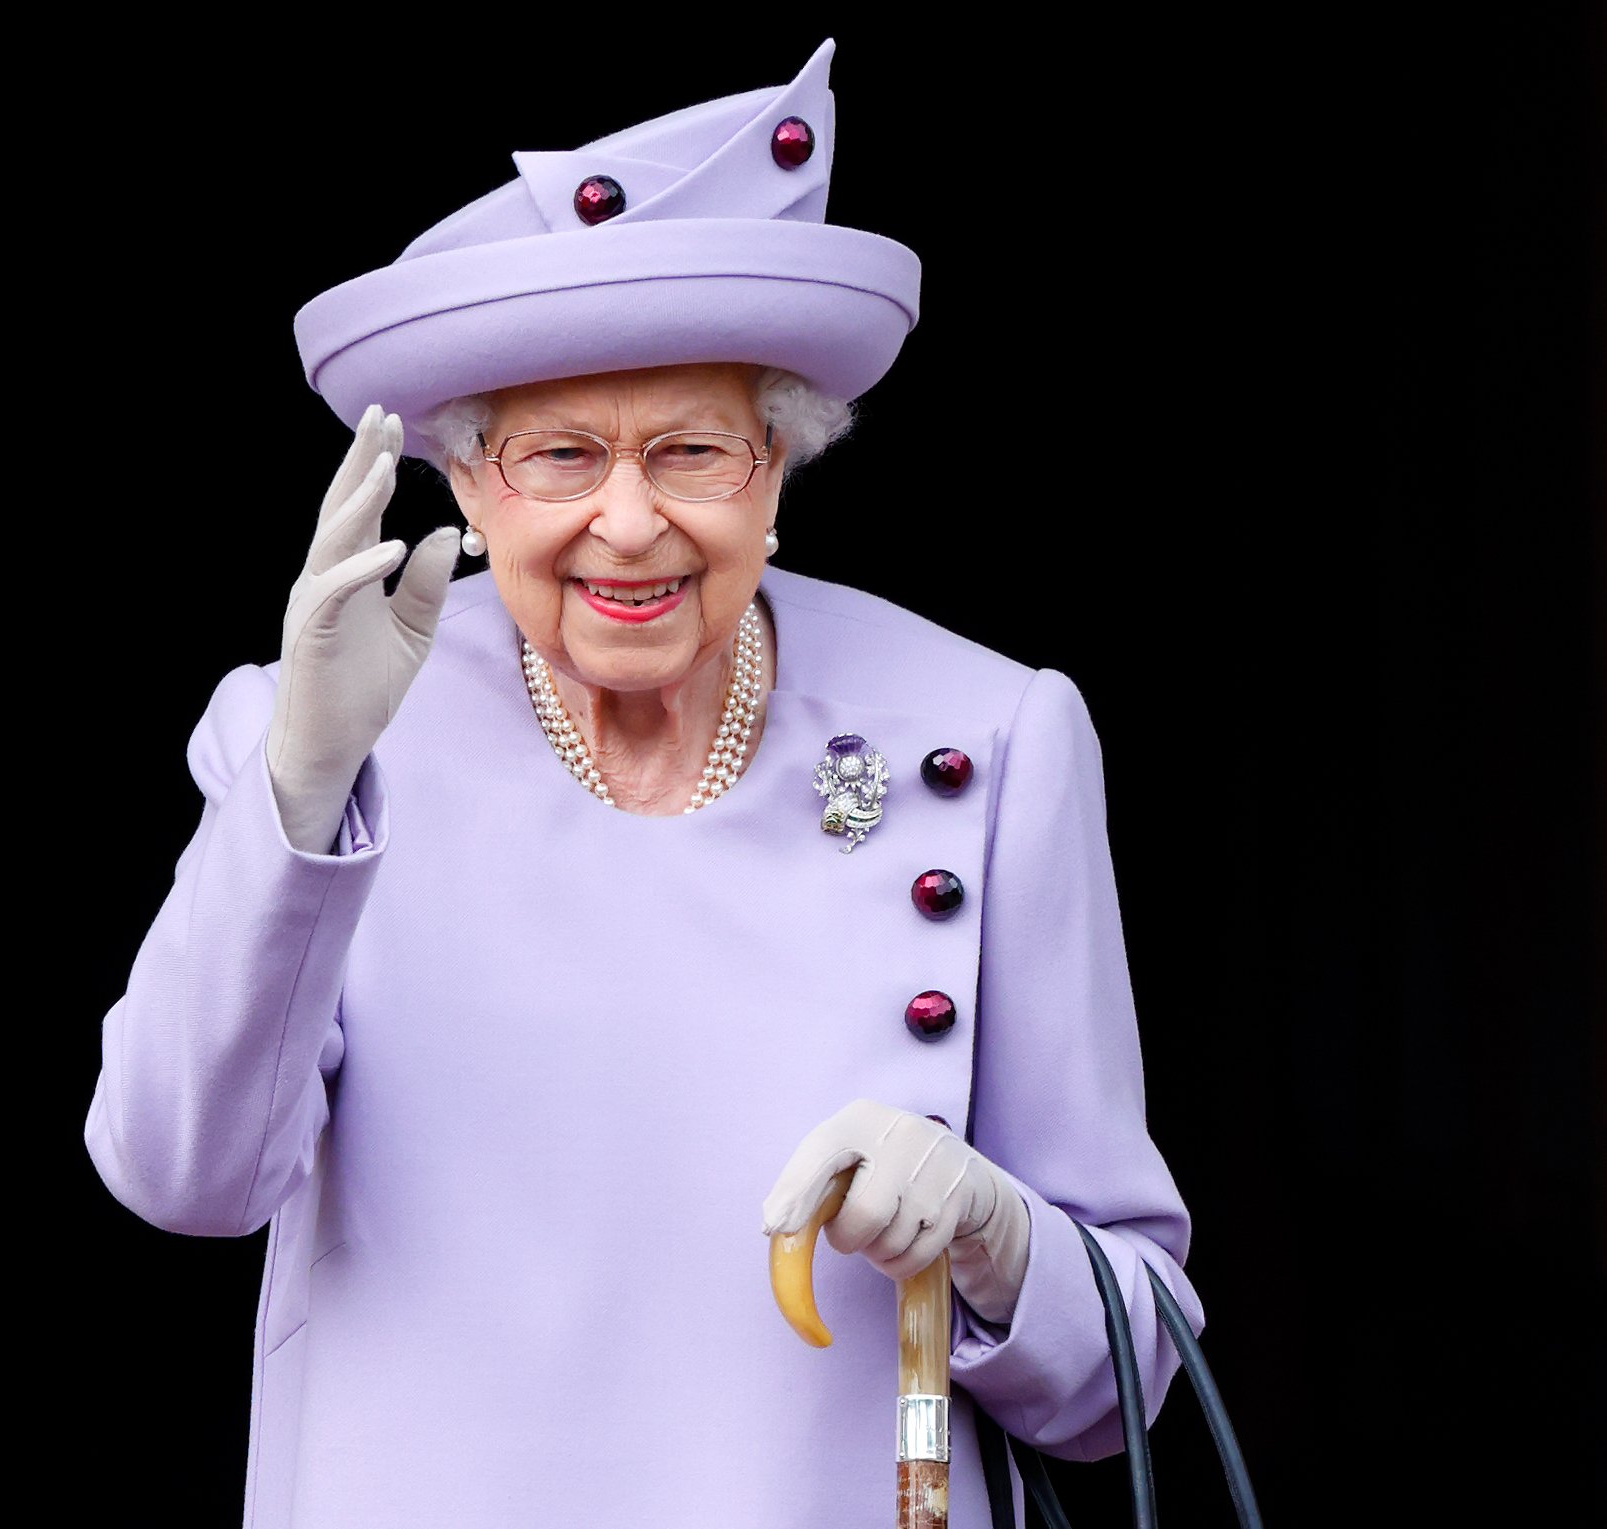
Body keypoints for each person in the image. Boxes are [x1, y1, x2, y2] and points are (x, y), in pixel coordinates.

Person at [85, 38, 1203, 1528]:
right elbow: (180, 1172)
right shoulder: (319, 733)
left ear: (781, 463)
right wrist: (306, 775)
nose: (629, 520)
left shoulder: (989, 733)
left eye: (692, 448)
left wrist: (1000, 1234)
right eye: (559, 455)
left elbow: (1128, 1378)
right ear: (469, 484)